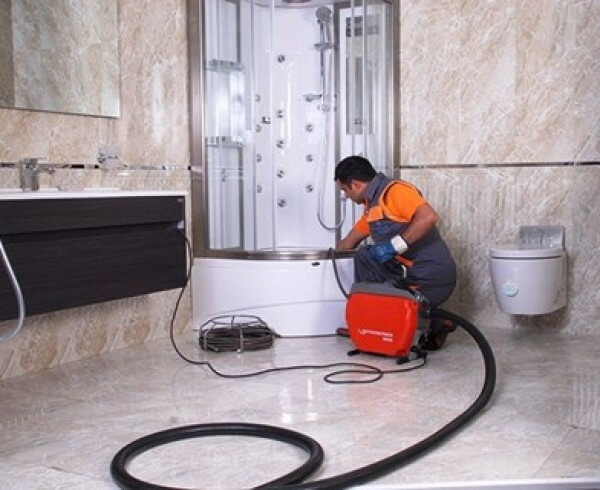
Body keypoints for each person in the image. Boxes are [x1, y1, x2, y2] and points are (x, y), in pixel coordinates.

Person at [335, 155, 457, 350]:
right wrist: (324, 258)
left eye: (344, 191)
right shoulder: (373, 208)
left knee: (395, 312)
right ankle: (367, 323)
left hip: (432, 279)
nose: (346, 196)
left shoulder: (395, 191)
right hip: (410, 276)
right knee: (364, 255)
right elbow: (349, 242)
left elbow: (428, 217)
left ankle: (440, 322)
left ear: (355, 185)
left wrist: (394, 246)